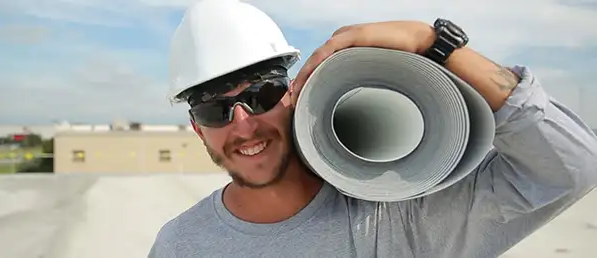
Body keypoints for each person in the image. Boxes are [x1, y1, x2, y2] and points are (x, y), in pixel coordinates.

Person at [149, 0, 597, 257]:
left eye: (261, 95)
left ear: (292, 96)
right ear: (196, 128)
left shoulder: (400, 218)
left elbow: (571, 166)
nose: (243, 124)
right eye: (214, 110)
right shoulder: (181, 246)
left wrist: (436, 44)